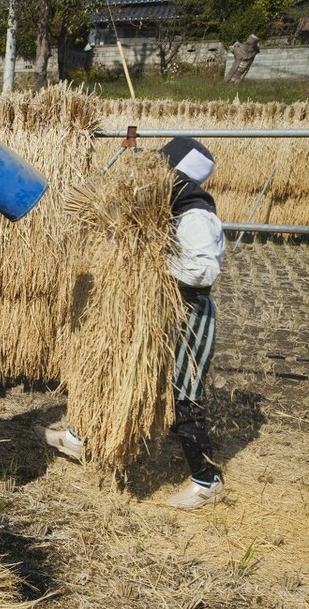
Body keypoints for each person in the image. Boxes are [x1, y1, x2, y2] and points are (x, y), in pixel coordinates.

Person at [40, 136, 226, 510]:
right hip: (149, 311)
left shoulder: (195, 215)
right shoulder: (163, 211)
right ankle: (80, 438)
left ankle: (207, 481)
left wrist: (149, 264)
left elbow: (204, 271)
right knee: (112, 368)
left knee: (184, 395)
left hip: (187, 316)